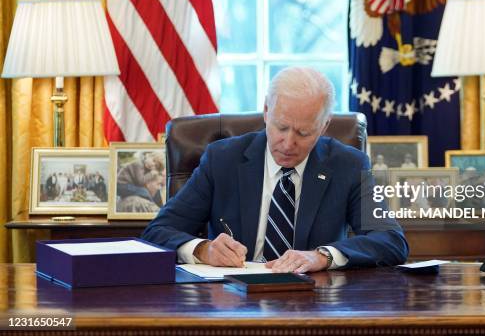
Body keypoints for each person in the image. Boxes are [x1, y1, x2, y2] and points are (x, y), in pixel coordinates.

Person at [142, 67, 408, 273]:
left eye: (304, 132)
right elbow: (158, 231)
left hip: (314, 304)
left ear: (324, 126)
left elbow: (391, 240)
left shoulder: (348, 165)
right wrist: (203, 249)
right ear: (267, 111)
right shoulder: (222, 159)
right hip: (232, 303)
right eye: (281, 127)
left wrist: (322, 256)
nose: (288, 143)